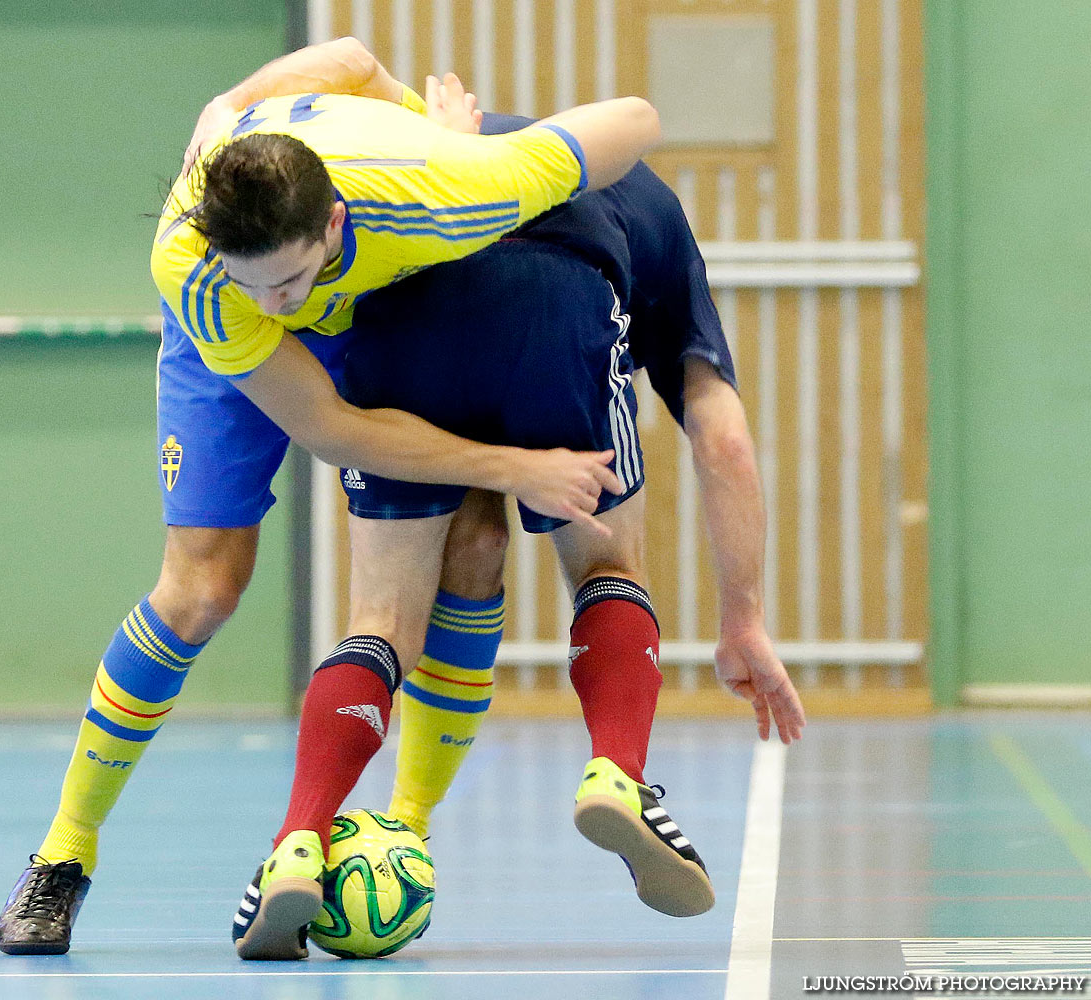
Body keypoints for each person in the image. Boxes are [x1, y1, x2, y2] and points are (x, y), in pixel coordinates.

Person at [0, 38, 658, 955]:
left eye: (293, 278)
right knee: (202, 588)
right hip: (227, 350)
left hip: (374, 305)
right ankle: (62, 855)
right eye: (255, 280)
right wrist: (514, 466)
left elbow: (633, 119)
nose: (278, 301)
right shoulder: (200, 268)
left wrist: (452, 136)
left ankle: (399, 836)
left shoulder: (449, 182)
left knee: (472, 547)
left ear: (338, 223)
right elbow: (327, 426)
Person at [229, 147, 807, 958]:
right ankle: (616, 772)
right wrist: (742, 619)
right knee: (607, 568)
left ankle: (297, 839)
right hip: (558, 296)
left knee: (384, 618)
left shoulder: (406, 157)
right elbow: (725, 441)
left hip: (407, 303)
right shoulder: (648, 211)